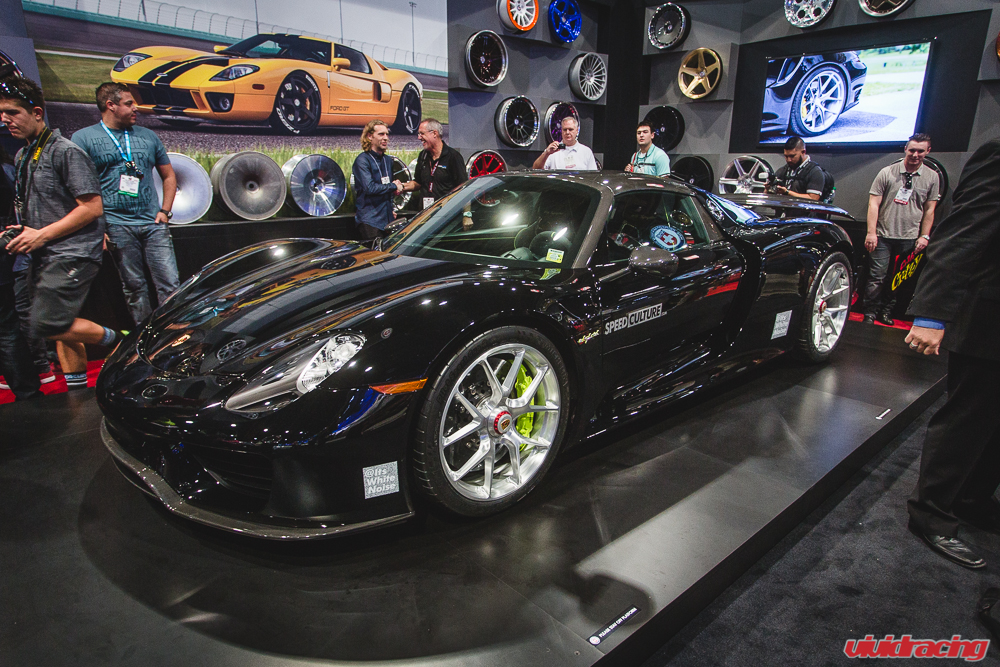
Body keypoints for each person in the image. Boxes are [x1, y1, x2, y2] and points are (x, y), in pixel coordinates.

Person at [903, 138, 1000, 570]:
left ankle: (972, 499)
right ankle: (931, 513)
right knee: (968, 418)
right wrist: (931, 314)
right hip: (989, 317)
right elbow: (963, 234)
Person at [0, 75, 121, 389]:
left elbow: (92, 207)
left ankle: (124, 341)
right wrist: (23, 230)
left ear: (37, 113)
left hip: (72, 253)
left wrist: (40, 235)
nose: (5, 119)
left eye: (13, 112)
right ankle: (78, 391)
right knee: (60, 327)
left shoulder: (65, 151)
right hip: (44, 253)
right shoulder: (24, 155)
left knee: (47, 323)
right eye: (2, 113)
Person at [72, 82, 178, 328]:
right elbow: (78, 186)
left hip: (153, 222)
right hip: (116, 224)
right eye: (129, 103)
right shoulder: (83, 138)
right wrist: (98, 229)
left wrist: (165, 211)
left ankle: (173, 333)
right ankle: (144, 335)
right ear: (110, 105)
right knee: (134, 286)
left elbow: (169, 175)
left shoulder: (148, 136)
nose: (135, 108)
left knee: (170, 283)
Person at [863, 134, 939, 326]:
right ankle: (869, 313)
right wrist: (871, 232)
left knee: (897, 279)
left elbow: (930, 209)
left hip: (909, 237)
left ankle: (886, 312)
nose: (915, 154)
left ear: (928, 151)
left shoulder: (932, 176)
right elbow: (873, 204)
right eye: (912, 150)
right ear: (905, 149)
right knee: (877, 277)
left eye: (920, 151)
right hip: (882, 235)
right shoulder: (887, 172)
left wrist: (924, 236)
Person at [352, 119, 403, 240]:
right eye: (381, 134)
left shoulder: (387, 160)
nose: (386, 138)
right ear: (370, 136)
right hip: (370, 221)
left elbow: (387, 189)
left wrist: (390, 209)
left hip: (387, 220)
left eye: (387, 134)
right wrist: (394, 186)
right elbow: (370, 188)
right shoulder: (362, 160)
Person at [402, 118, 467, 210]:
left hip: (445, 211)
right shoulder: (423, 155)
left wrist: (466, 214)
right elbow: (418, 183)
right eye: (419, 134)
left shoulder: (453, 156)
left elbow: (463, 187)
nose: (419, 137)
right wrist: (401, 187)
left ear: (434, 133)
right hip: (425, 212)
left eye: (422, 133)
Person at [531, 116, 598, 171]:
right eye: (565, 129)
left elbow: (592, 176)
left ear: (577, 130)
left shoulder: (586, 152)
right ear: (561, 131)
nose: (567, 132)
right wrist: (546, 153)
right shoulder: (552, 151)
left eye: (570, 129)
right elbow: (535, 169)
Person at [771, 136, 825, 201]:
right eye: (786, 156)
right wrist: (768, 189)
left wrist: (787, 192)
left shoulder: (815, 172)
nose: (789, 160)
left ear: (803, 152)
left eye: (792, 156)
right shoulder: (782, 171)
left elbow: (813, 199)